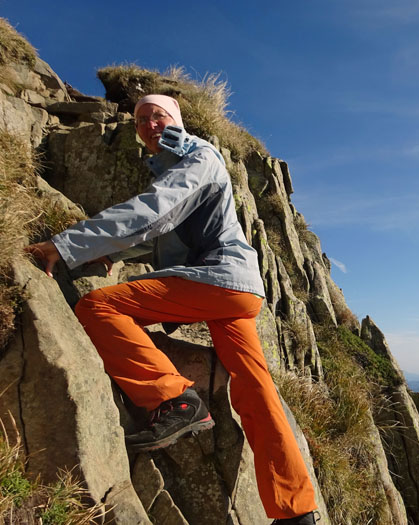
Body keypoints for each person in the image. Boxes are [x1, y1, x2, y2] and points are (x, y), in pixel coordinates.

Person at [25, 94, 319, 525]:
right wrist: (111, 254)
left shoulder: (200, 156)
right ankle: (296, 512)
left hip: (217, 281)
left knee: (99, 306)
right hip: (235, 292)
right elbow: (164, 233)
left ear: (177, 120)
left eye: (158, 115)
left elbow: (156, 211)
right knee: (255, 389)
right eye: (141, 119)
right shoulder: (175, 165)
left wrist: (68, 245)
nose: (148, 124)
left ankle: (175, 398)